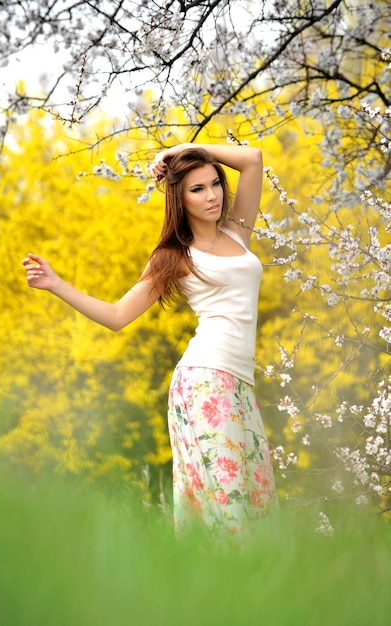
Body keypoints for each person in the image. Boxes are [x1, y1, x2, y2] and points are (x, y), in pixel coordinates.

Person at [22, 142, 277, 534]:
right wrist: (57, 285)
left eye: (214, 185)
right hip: (205, 381)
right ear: (179, 197)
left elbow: (253, 159)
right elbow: (118, 315)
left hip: (241, 383)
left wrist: (181, 149)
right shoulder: (175, 256)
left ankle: (248, 591)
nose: (211, 196)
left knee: (257, 501)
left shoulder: (237, 233)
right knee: (229, 507)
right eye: (197, 189)